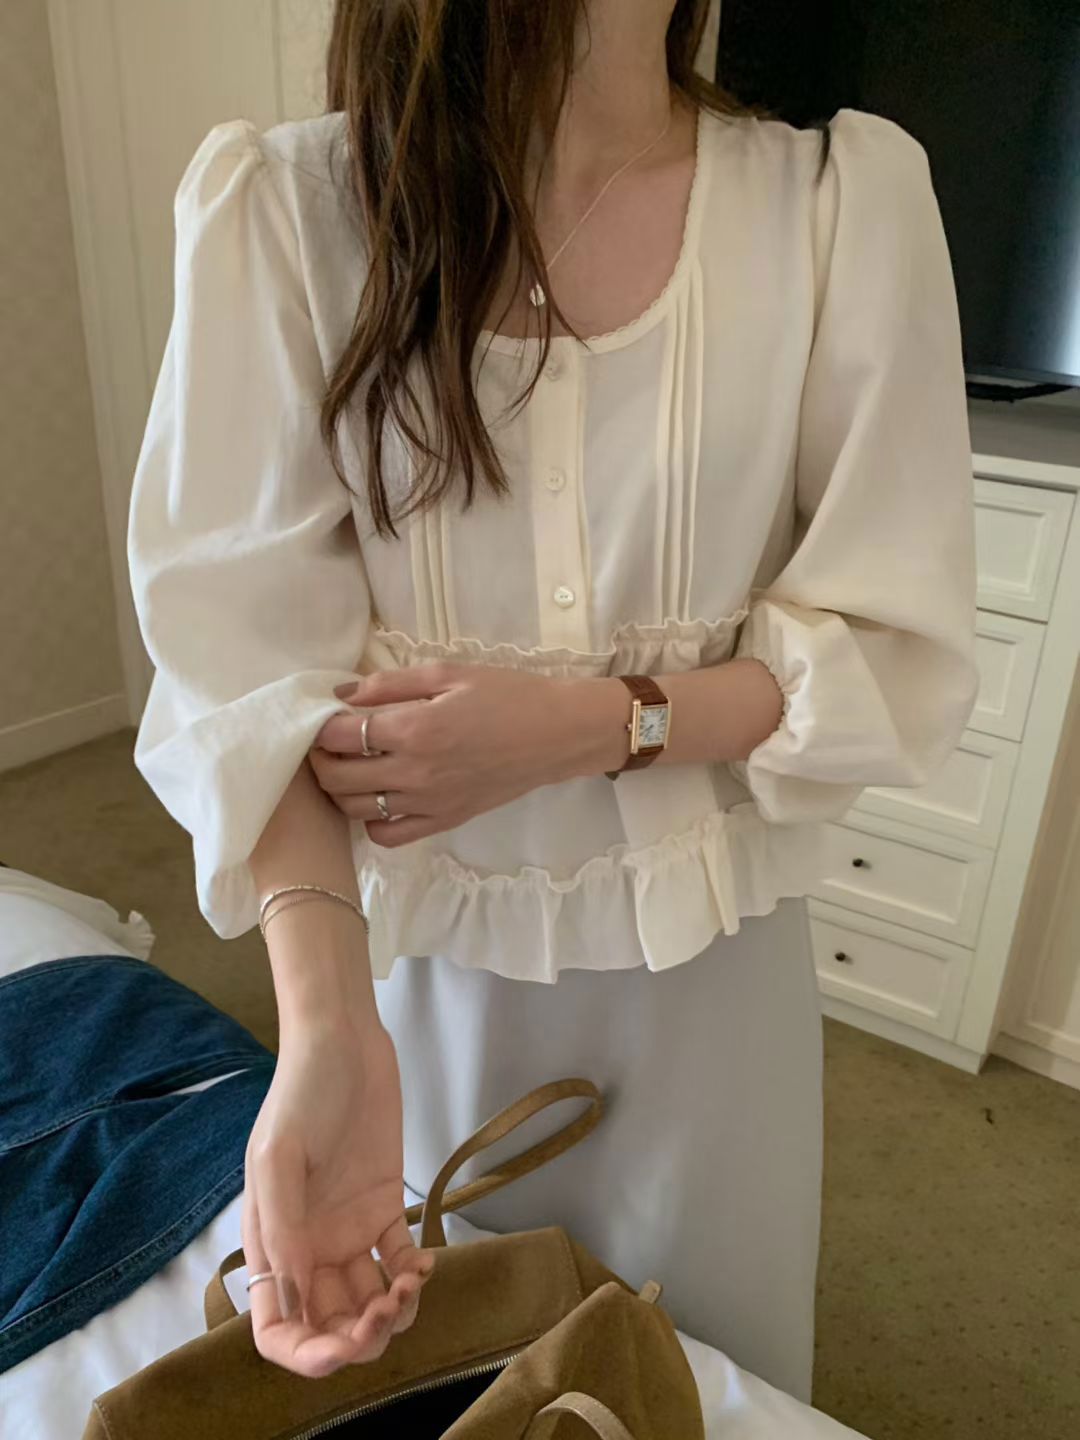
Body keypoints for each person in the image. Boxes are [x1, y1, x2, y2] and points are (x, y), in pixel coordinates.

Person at [127, 0, 979, 1404]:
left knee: (704, 1386)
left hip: (716, 980)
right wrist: (327, 1033)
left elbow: (893, 644)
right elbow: (244, 671)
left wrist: (585, 726)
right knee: (462, 1375)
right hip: (421, 981)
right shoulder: (285, 212)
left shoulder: (837, 207)